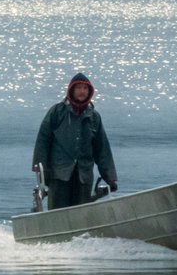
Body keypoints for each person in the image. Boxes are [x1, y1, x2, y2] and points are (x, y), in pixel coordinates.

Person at [32, 72, 118, 209]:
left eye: (85, 88)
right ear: (71, 90)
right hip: (59, 174)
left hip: (83, 176)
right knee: (58, 213)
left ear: (89, 91)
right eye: (78, 88)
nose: (82, 91)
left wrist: (110, 177)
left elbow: (102, 149)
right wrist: (41, 169)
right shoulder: (57, 112)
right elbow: (43, 140)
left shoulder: (94, 118)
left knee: (82, 213)